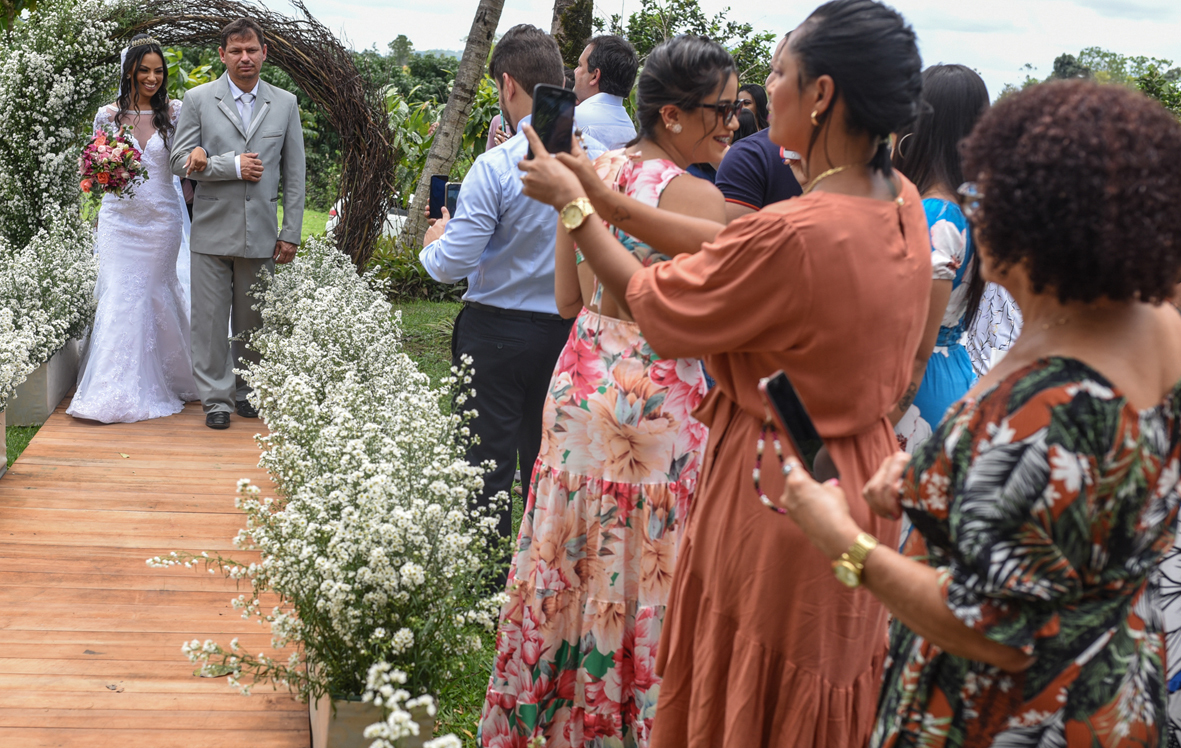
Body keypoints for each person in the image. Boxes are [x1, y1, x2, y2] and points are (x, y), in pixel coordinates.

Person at [517, 2, 931, 744]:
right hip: (858, 476)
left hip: (779, 488)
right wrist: (608, 202)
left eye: (776, 74)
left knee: (749, 691)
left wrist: (578, 211)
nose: (756, 98)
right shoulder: (898, 199)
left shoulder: (800, 233)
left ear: (821, 94)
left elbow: (653, 301)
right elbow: (732, 241)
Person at [774, 78, 1181, 748]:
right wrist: (928, 486)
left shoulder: (1049, 406)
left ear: (1042, 221)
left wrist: (846, 544)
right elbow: (1063, 525)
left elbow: (994, 632)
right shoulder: (1144, 329)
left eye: (985, 195)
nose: (974, 212)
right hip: (1110, 692)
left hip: (1005, 716)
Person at [477, 36, 735, 748]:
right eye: (721, 110)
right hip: (657, 399)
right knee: (645, 566)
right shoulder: (700, 199)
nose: (733, 123)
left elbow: (568, 298)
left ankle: (544, 720)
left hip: (581, 381)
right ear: (673, 115)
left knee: (564, 551)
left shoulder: (588, 172)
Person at [419, 24, 573, 547]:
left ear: (507, 84)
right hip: (567, 333)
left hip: (495, 334)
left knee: (485, 465)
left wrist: (434, 241)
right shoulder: (597, 157)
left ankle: (487, 577)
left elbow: (453, 263)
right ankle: (542, 571)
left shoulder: (496, 166)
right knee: (550, 463)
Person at [170, 18, 305, 430]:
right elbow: (177, 161)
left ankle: (248, 393)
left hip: (262, 232)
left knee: (254, 320)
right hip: (211, 231)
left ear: (265, 52)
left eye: (251, 50)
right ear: (222, 55)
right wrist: (230, 166)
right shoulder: (197, 99)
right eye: (235, 51)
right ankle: (216, 400)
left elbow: (295, 174)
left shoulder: (285, 103)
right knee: (209, 323)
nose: (244, 57)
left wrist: (291, 232)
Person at [68, 35, 200, 424]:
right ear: (130, 72)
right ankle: (111, 387)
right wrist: (99, 168)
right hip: (118, 219)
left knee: (155, 291)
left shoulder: (174, 112)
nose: (152, 78)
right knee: (120, 293)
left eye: (158, 71)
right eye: (144, 70)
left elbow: (184, 164)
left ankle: (175, 376)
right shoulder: (107, 115)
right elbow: (93, 162)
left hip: (161, 218)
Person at [887, 64, 989, 450]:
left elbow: (915, 349)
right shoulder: (966, 211)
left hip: (913, 393)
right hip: (951, 372)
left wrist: (874, 427)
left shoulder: (934, 216)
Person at [573, 35, 639, 150]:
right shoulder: (631, 130)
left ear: (595, 76)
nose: (575, 71)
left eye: (580, 65)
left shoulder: (572, 119)